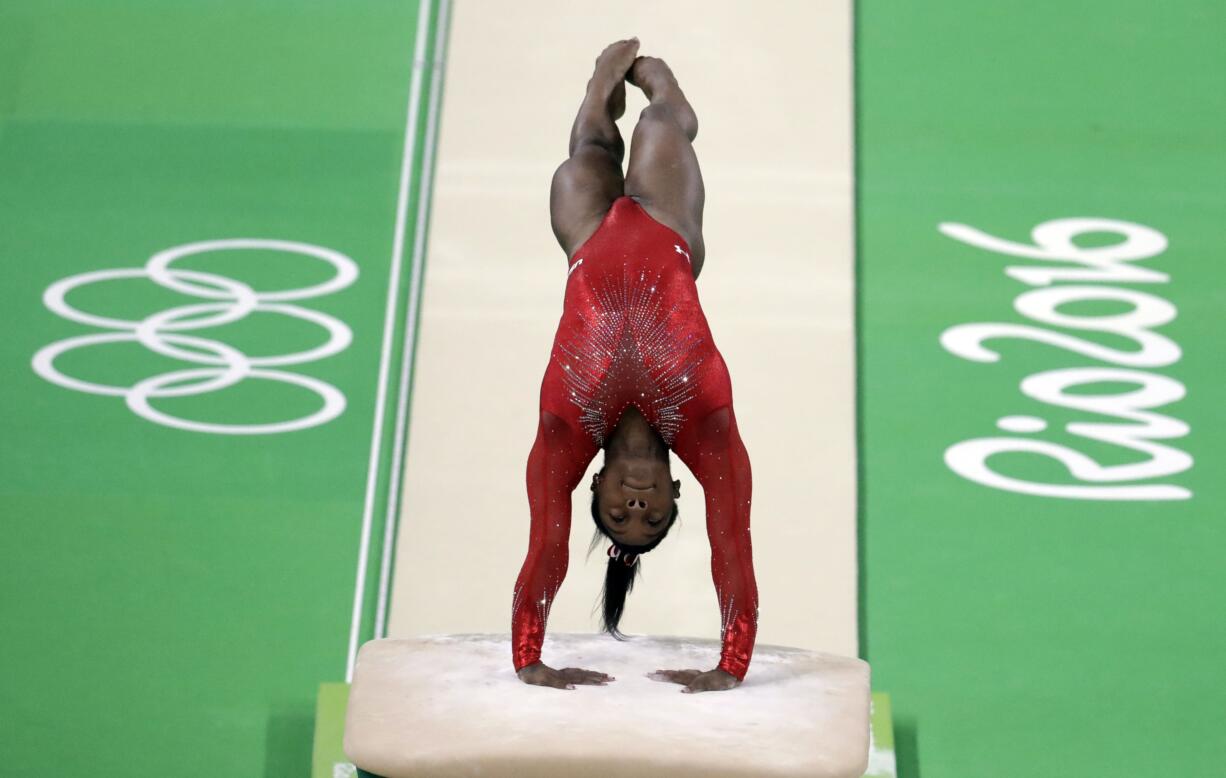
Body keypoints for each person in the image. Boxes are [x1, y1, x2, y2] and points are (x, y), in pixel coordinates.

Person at [512, 39, 757, 694]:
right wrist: (730, 668)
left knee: (587, 154)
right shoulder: (706, 424)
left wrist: (530, 658)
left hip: (588, 234)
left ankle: (598, 87)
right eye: (655, 517)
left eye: (620, 515)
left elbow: (545, 551)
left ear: (593, 488)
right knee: (662, 126)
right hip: (669, 227)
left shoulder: (565, 434)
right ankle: (659, 84)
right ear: (680, 493)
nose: (639, 506)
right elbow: (732, 549)